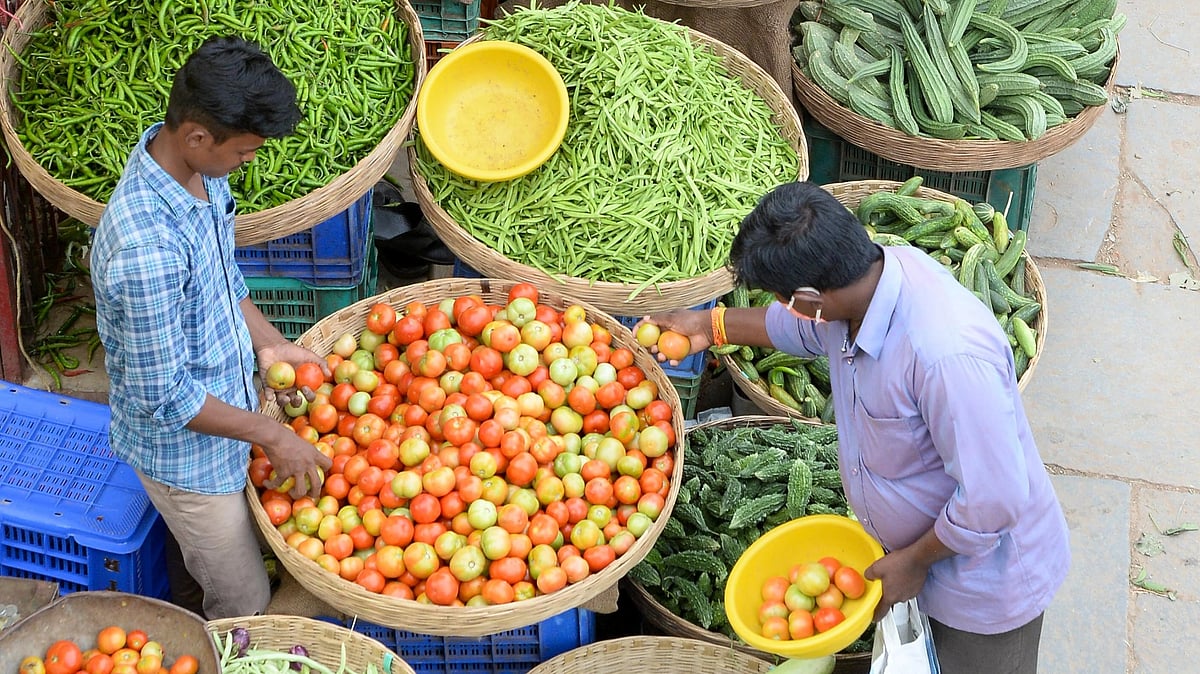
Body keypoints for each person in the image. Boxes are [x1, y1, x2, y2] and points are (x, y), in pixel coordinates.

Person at [644, 181, 1070, 673]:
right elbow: (805, 327)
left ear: (810, 295)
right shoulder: (860, 287)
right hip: (917, 557)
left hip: (983, 584)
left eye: (784, 298)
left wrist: (916, 560)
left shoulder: (945, 356)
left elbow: (995, 498)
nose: (785, 307)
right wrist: (712, 327)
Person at [90, 36, 332, 619]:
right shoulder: (146, 249)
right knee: (243, 599)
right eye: (246, 151)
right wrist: (272, 435)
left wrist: (269, 342)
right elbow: (164, 397)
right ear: (199, 136)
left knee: (239, 545)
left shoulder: (190, 167)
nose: (250, 161)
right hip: (185, 459)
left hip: (227, 415)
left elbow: (223, 282)